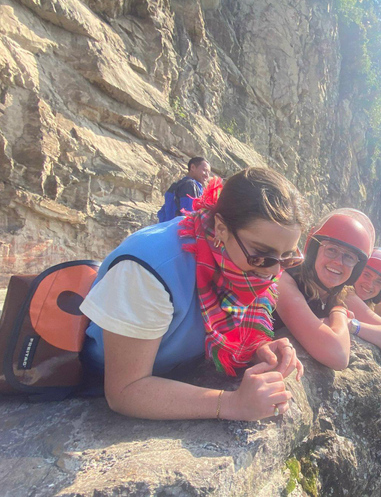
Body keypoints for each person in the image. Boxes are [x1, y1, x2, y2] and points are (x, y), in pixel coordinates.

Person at [80, 167, 309, 421]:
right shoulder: (148, 270)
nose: (274, 270)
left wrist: (259, 347)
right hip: (94, 380)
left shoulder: (235, 260)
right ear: (221, 228)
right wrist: (233, 404)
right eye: (261, 255)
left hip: (173, 368)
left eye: (287, 257)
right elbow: (125, 390)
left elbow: (228, 316)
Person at [273, 209, 375, 370]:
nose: (338, 262)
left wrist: (348, 322)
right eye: (331, 250)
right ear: (314, 251)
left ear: (356, 268)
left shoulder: (339, 293)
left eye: (349, 257)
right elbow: (338, 356)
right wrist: (340, 314)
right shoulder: (284, 280)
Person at [157, 157, 212, 222]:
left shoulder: (178, 184)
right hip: (178, 229)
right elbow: (188, 214)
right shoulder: (190, 185)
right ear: (193, 167)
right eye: (204, 170)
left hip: (167, 226)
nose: (207, 175)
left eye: (208, 172)